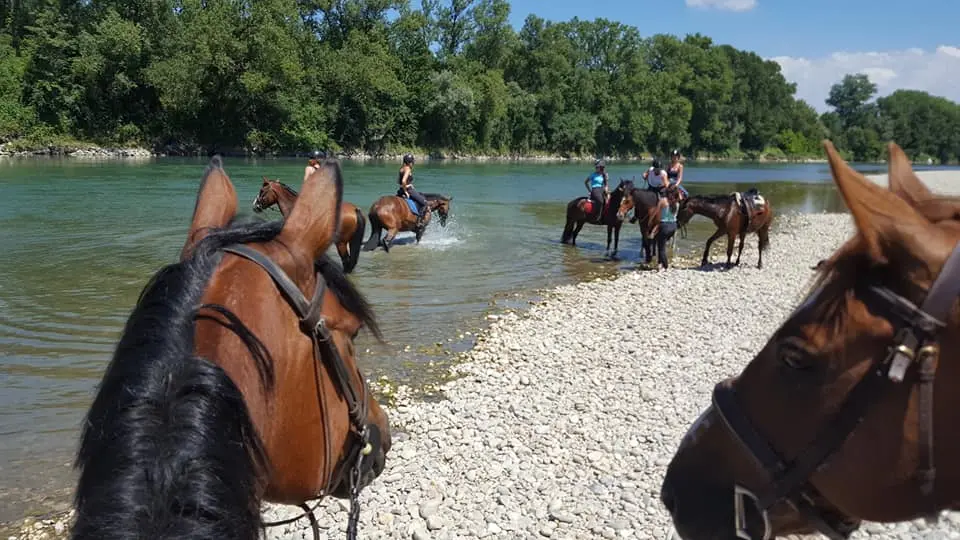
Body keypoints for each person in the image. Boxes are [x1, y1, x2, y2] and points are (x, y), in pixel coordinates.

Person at [397, 153, 429, 227]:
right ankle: (419, 222)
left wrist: (405, 186)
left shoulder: (401, 168)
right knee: (424, 203)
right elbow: (403, 181)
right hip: (408, 190)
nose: (413, 164)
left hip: (400, 190)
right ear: (410, 162)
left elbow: (398, 181)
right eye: (412, 162)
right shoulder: (408, 169)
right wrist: (406, 190)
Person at [655, 187, 680, 270]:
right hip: (673, 226)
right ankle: (660, 263)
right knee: (663, 244)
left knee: (661, 248)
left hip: (664, 225)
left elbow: (657, 215)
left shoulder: (663, 201)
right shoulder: (677, 203)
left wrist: (655, 226)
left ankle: (665, 266)